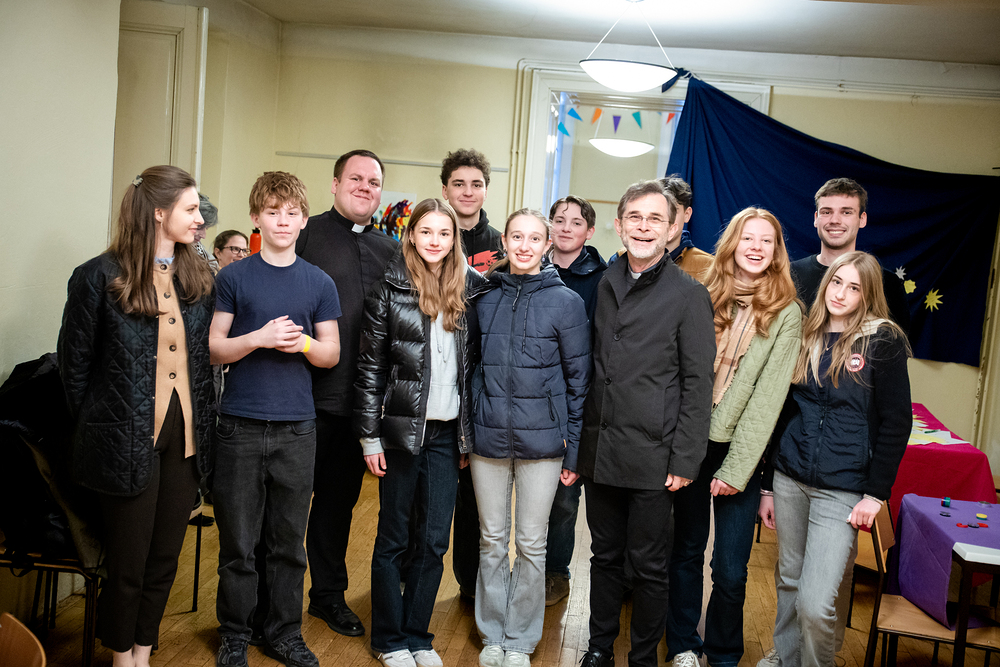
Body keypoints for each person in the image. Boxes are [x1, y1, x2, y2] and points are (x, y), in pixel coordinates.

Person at [58, 165, 215, 667]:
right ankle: (121, 657)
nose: (200, 218)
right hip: (122, 441)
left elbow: (202, 364)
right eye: (191, 209)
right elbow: (74, 371)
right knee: (128, 562)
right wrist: (102, 427)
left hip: (185, 438)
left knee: (164, 558)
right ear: (159, 212)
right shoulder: (97, 277)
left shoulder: (197, 276)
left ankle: (143, 654)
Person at [577, 180, 715, 667]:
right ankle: (599, 647)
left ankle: (642, 659)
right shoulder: (604, 283)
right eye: (634, 217)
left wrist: (685, 459)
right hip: (600, 449)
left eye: (655, 218)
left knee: (650, 566)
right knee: (604, 557)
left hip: (655, 456)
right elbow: (588, 368)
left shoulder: (689, 294)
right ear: (619, 225)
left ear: (672, 228)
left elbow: (698, 384)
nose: (643, 227)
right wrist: (578, 450)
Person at [210, 171, 341, 667]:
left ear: (304, 220)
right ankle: (234, 634)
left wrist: (302, 342)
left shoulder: (319, 282)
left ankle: (284, 633)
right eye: (272, 212)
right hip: (239, 426)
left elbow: (330, 353)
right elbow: (213, 349)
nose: (283, 221)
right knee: (239, 545)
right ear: (256, 218)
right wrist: (257, 339)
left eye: (291, 213)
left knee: (288, 543)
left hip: (297, 429)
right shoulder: (233, 277)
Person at [758, 251, 911, 667]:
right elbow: (783, 411)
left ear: (868, 295)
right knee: (789, 579)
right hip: (790, 477)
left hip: (843, 488)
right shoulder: (807, 332)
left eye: (854, 287)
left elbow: (897, 422)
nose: (841, 293)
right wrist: (768, 485)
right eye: (837, 282)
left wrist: (875, 495)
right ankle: (786, 658)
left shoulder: (882, 340)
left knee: (815, 601)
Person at [665, 208, 802, 667]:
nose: (756, 247)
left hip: (740, 452)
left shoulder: (786, 313)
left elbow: (769, 400)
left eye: (767, 240)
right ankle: (683, 644)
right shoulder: (701, 293)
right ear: (733, 244)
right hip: (690, 442)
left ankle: (723, 655)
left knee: (729, 568)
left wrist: (737, 470)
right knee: (685, 551)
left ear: (777, 251)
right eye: (748, 238)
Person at [354, 199, 488, 667]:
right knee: (394, 539)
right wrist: (369, 437)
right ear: (411, 235)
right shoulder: (389, 289)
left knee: (434, 542)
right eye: (426, 231)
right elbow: (369, 370)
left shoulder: (470, 289)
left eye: (444, 233)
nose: (435, 240)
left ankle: (416, 636)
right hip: (400, 433)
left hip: (448, 435)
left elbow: (474, 370)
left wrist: (468, 437)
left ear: (454, 239)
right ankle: (388, 640)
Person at [472, 209, 591, 667]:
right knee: (491, 539)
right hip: (487, 440)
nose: (524, 246)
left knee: (531, 542)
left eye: (534, 238)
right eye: (516, 237)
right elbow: (471, 369)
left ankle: (520, 639)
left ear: (547, 245)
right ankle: (492, 634)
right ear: (504, 242)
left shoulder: (566, 302)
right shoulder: (484, 297)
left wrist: (573, 452)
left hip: (544, 446)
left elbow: (579, 383)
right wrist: (468, 434)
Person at [296, 149, 398, 635]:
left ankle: (327, 596)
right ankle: (268, 603)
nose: (365, 187)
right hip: (300, 397)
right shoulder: (305, 234)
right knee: (284, 507)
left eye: (374, 182)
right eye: (355, 178)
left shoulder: (391, 249)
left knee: (337, 506)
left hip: (357, 404)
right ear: (335, 184)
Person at [440, 147, 505, 599]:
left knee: (473, 496)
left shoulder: (501, 245)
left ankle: (469, 583)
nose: (468, 191)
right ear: (445, 189)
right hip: (433, 378)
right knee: (423, 493)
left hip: (479, 382)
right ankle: (410, 575)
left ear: (485, 189)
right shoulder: (427, 235)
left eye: (476, 184)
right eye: (459, 184)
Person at [543, 195, 606, 606]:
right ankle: (526, 568)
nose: (566, 228)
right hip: (534, 397)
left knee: (565, 496)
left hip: (577, 399)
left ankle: (556, 573)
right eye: (560, 220)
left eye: (576, 222)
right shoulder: (530, 266)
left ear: (590, 231)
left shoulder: (603, 279)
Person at [790, 178, 910, 334]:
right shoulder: (788, 275)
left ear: (862, 219)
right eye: (826, 212)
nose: (835, 220)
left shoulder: (886, 283)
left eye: (846, 212)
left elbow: (896, 345)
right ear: (816, 218)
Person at [606, 175, 713, 283]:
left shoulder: (708, 266)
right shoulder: (620, 257)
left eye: (673, 212)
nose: (667, 218)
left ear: (687, 214)